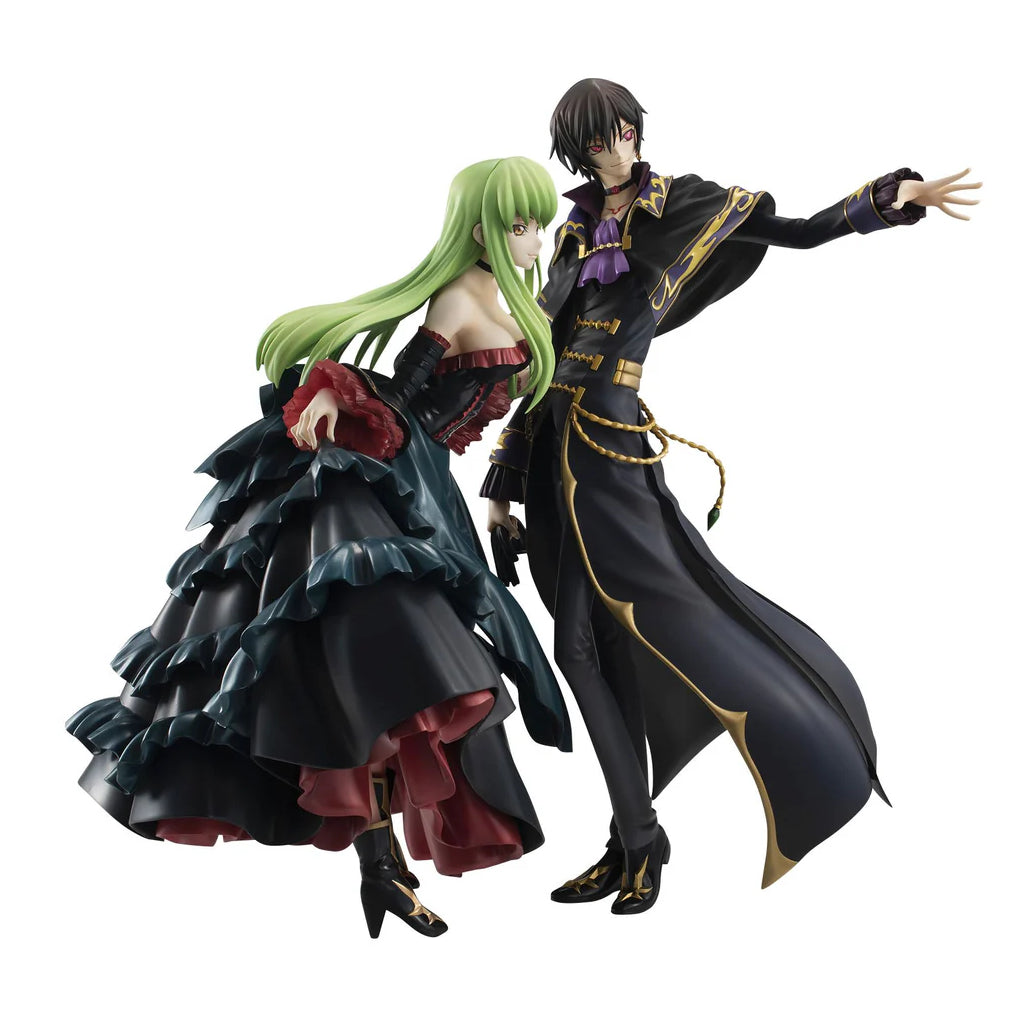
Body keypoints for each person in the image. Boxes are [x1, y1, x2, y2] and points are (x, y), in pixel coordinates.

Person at [482, 79, 980, 914]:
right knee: (585, 649)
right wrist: (501, 490)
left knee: (629, 630)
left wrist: (886, 200)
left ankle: (646, 836)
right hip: (550, 452)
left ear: (634, 129)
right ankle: (634, 838)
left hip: (610, 454)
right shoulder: (569, 233)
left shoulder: (689, 204)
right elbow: (540, 362)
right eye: (590, 145)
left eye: (614, 134)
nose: (607, 152)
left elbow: (801, 232)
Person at [67, 156, 570, 939]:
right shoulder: (459, 297)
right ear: (480, 231)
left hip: (433, 487)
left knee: (404, 677)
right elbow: (407, 392)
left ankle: (381, 867)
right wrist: (336, 389)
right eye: (519, 225)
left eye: (539, 223)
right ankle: (379, 865)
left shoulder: (502, 298)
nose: (534, 238)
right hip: (396, 485)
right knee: (399, 674)